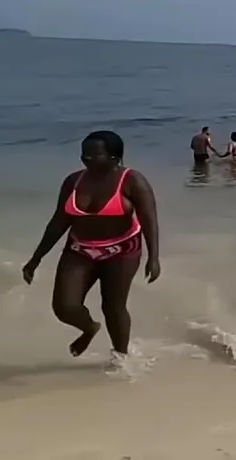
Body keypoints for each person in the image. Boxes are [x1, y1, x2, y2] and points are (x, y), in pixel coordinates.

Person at [22, 131, 160, 359]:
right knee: (65, 307)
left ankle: (120, 358)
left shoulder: (132, 180)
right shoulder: (73, 182)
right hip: (79, 249)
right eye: (84, 153)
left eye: (94, 154)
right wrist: (36, 258)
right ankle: (89, 328)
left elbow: (149, 220)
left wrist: (153, 258)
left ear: (114, 157)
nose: (86, 158)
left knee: (113, 307)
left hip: (122, 250)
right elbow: (59, 222)